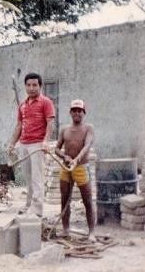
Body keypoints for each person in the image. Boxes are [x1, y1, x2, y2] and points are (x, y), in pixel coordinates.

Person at [8, 73, 55, 217]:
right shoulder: (22, 105)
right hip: (24, 144)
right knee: (28, 178)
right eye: (28, 85)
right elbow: (19, 125)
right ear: (25, 86)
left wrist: (46, 141)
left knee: (37, 179)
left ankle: (37, 211)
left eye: (35, 85)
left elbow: (50, 123)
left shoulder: (46, 102)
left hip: (37, 145)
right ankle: (29, 205)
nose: (31, 88)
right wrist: (11, 144)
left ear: (40, 86)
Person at [54, 99, 95, 242]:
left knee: (87, 200)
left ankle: (91, 232)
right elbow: (56, 149)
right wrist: (64, 156)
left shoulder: (88, 128)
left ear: (84, 113)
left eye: (80, 111)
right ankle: (65, 229)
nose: (77, 113)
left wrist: (77, 158)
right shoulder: (64, 129)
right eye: (74, 110)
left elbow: (87, 145)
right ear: (70, 113)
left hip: (81, 167)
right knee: (65, 199)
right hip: (66, 168)